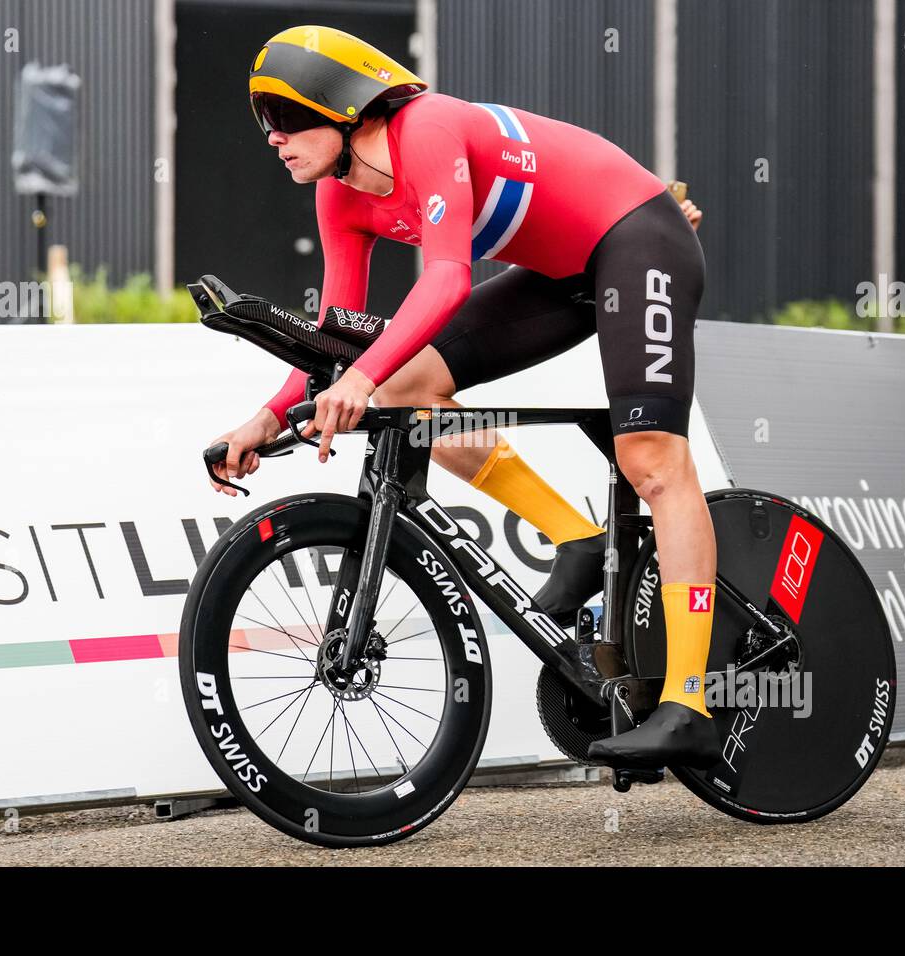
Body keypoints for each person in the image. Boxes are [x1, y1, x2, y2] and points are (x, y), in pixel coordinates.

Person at [210, 25, 717, 769]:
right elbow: (336, 335)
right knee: (404, 391)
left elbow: (445, 281)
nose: (273, 139)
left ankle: (692, 702)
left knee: (652, 461)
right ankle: (574, 537)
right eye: (264, 125)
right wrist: (266, 416)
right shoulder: (339, 196)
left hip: (638, 238)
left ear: (343, 103)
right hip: (562, 272)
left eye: (286, 118)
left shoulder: (429, 128)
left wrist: (354, 381)